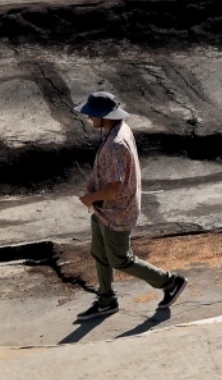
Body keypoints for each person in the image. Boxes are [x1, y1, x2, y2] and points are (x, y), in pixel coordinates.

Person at [74, 91, 187, 322]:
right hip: (104, 209)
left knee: (120, 259)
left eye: (92, 114)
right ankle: (106, 300)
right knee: (100, 253)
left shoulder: (115, 144)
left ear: (106, 116)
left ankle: (171, 282)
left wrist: (90, 197)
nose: (89, 118)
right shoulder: (116, 130)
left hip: (117, 211)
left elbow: (114, 187)